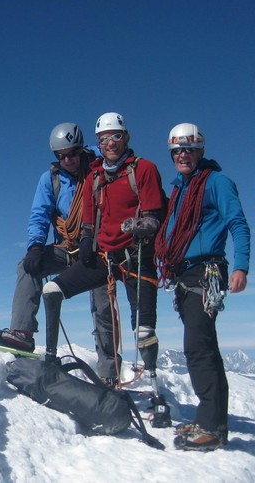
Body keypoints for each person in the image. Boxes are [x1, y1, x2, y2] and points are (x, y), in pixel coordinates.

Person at [41, 112, 166, 387]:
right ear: (99, 142)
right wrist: (86, 239)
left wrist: (140, 225)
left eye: (116, 136)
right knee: (52, 291)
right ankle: (50, 361)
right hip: (104, 258)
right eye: (105, 138)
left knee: (144, 330)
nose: (111, 143)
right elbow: (88, 215)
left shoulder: (143, 169)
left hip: (137, 257)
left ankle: (156, 393)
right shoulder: (95, 176)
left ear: (126, 137)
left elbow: (156, 214)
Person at [155, 123, 250, 451]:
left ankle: (211, 428)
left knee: (198, 348)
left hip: (205, 272)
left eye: (189, 149)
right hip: (186, 274)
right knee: (204, 347)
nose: (183, 155)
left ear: (200, 151)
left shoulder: (216, 182)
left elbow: (237, 223)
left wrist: (241, 267)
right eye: (177, 150)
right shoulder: (181, 188)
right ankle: (211, 422)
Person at [0, 123, 111, 368]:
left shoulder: (98, 169)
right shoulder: (50, 179)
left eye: (72, 153)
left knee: (103, 304)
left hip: (97, 249)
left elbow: (113, 154)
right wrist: (35, 247)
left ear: (81, 150)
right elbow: (40, 213)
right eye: (61, 156)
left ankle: (108, 370)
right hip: (67, 246)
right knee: (27, 267)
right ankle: (22, 333)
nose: (68, 159)